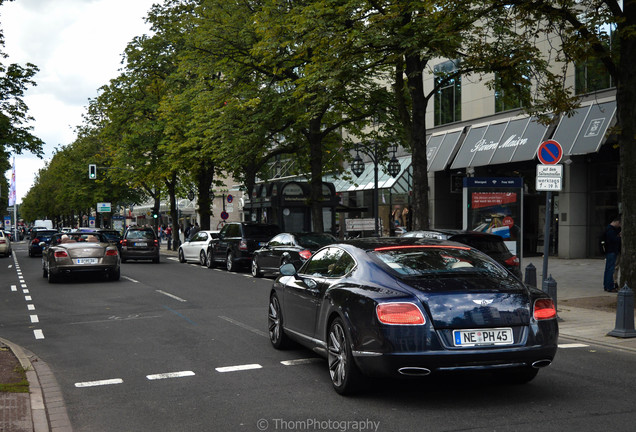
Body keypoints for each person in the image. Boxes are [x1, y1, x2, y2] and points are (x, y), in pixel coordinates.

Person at [602, 215, 621, 292]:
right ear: (617, 222)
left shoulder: (610, 229)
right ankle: (610, 286)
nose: (620, 226)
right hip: (611, 251)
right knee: (610, 269)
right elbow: (614, 240)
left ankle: (607, 285)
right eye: (620, 224)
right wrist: (620, 237)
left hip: (610, 251)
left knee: (608, 269)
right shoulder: (610, 230)